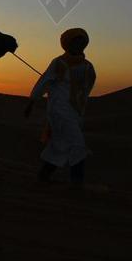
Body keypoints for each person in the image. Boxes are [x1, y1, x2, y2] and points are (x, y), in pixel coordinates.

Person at [24, 28, 96, 187]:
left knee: (61, 144)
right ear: (67, 44)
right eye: (75, 41)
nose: (79, 44)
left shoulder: (88, 66)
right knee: (77, 144)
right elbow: (43, 83)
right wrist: (31, 102)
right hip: (59, 110)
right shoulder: (59, 63)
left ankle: (43, 175)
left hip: (75, 112)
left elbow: (88, 86)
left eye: (81, 42)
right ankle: (77, 182)